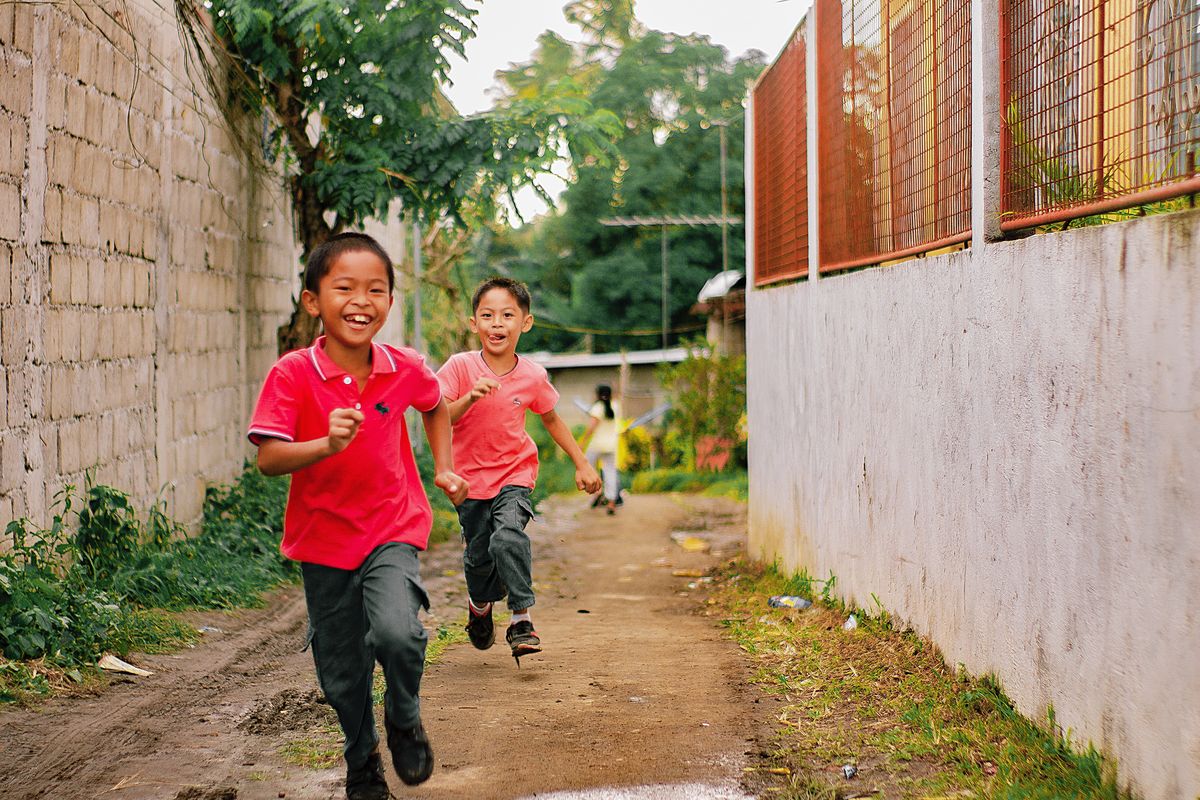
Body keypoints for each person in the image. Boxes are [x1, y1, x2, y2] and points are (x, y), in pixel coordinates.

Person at [247, 232, 468, 800]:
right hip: (322, 542)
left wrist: (443, 467)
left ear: (390, 302)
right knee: (342, 672)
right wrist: (324, 444)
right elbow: (269, 458)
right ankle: (362, 762)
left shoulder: (404, 368)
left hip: (392, 528)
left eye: (376, 289)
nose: (361, 300)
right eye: (344, 287)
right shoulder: (293, 374)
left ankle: (403, 715)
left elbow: (435, 403)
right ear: (312, 301)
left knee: (397, 631)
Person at [436, 277, 601, 663]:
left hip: (514, 475)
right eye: (487, 315)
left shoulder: (531, 375)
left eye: (507, 315)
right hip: (468, 482)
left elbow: (552, 419)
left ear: (525, 323)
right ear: (473, 323)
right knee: (479, 558)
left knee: (507, 537)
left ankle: (521, 619)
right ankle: (480, 608)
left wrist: (582, 462)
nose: (497, 323)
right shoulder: (460, 367)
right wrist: (468, 398)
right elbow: (438, 415)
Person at [581, 383, 621, 515]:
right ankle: (611, 503)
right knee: (610, 472)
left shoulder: (598, 407)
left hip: (597, 445)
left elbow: (591, 427)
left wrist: (582, 442)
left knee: (587, 466)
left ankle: (597, 492)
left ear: (598, 394)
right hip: (611, 445)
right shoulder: (615, 406)